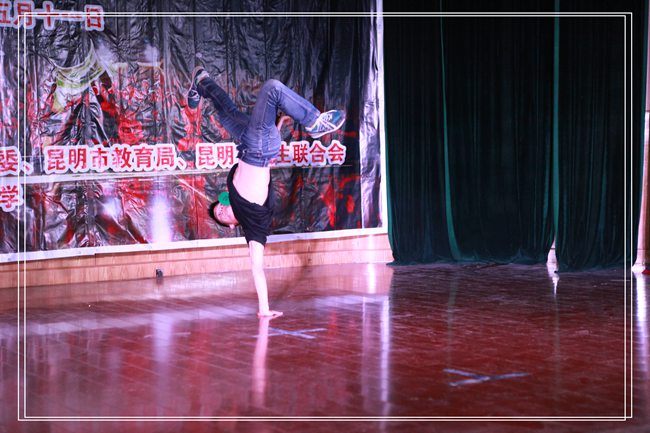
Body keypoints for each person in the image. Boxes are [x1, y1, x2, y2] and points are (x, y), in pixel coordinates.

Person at [187, 67, 345, 318]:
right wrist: (263, 309)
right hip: (259, 149)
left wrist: (277, 125)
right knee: (272, 88)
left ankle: (201, 81)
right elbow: (257, 267)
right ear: (232, 226)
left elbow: (252, 181)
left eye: (219, 208)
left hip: (247, 144)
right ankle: (314, 122)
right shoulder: (253, 225)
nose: (223, 210)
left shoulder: (233, 196)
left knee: (226, 111)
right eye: (222, 216)